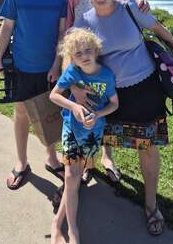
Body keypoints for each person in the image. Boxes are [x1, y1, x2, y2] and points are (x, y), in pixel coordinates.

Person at [74, 0, 173, 236]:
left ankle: (151, 205)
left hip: (144, 89)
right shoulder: (83, 21)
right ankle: (85, 173)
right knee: (93, 138)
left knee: (147, 147)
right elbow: (71, 56)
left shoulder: (132, 8)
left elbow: (158, 29)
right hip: (107, 94)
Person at [65, 0, 150, 183]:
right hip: (83, 54)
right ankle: (89, 160)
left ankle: (107, 156)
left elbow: (133, 1)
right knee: (89, 105)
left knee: (106, 107)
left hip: (110, 55)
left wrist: (142, 1)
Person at [0, 0, 68, 189]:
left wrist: (57, 63)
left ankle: (51, 157)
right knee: (22, 113)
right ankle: (21, 162)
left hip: (48, 67)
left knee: (48, 112)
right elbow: (7, 26)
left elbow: (62, 32)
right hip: (21, 65)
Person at [50, 27, 118, 244]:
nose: (84, 56)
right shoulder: (72, 73)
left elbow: (115, 104)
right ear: (72, 58)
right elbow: (54, 95)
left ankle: (56, 222)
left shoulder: (106, 75)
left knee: (75, 179)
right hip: (71, 128)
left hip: (92, 133)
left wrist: (98, 114)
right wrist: (74, 107)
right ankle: (72, 229)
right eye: (78, 54)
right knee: (71, 177)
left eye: (88, 50)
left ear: (96, 51)